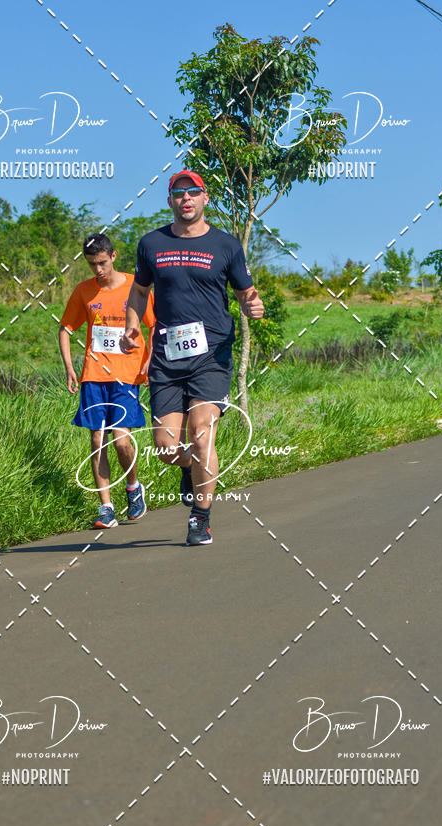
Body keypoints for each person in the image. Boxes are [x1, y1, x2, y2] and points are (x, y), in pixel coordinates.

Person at [120, 170, 263, 546]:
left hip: (211, 355)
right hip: (167, 357)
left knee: (201, 432)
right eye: (179, 193)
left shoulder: (226, 245)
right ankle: (189, 469)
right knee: (168, 449)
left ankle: (201, 518)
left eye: (193, 192)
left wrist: (253, 305)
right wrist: (132, 324)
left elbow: (246, 292)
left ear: (205, 198)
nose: (186, 199)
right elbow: (138, 292)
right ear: (170, 201)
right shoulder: (152, 243)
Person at [59, 233, 155, 528]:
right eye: (91, 265)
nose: (98, 270)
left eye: (102, 262)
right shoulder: (84, 291)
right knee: (97, 439)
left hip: (127, 374)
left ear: (113, 256)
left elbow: (157, 324)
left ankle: (133, 487)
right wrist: (69, 368)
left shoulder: (136, 287)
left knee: (121, 440)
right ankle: (106, 507)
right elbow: (65, 329)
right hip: (93, 375)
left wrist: (152, 360)